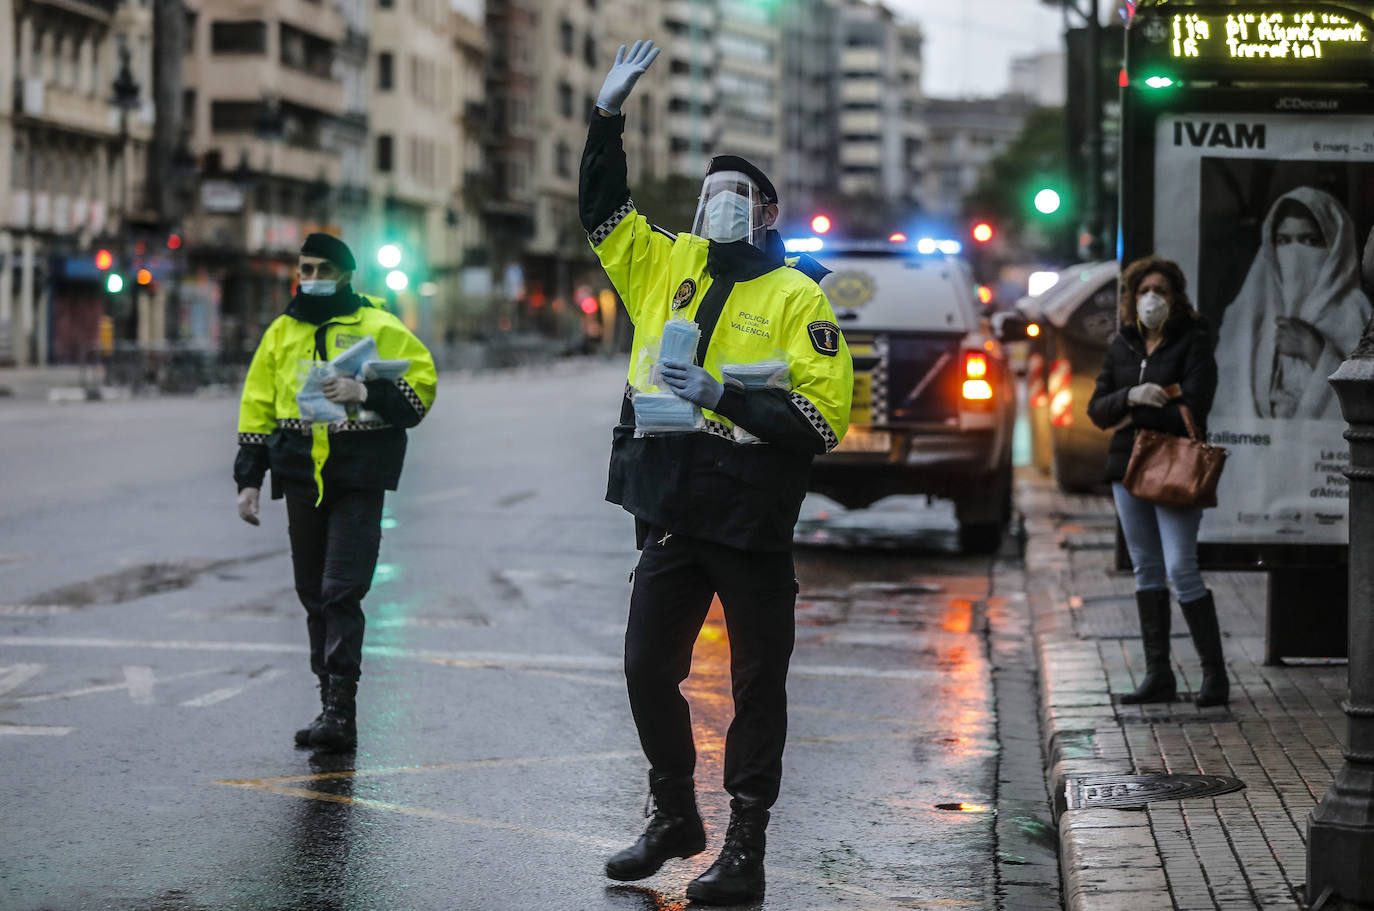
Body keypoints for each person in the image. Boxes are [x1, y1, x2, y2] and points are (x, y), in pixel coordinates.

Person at [580, 40, 852, 905]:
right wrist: (605, 119)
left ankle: (746, 848)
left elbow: (821, 417)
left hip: (750, 519)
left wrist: (725, 394)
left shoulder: (799, 298)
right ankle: (673, 815)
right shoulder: (667, 263)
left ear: (767, 212)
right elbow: (602, 209)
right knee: (643, 667)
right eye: (709, 192)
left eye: (736, 194)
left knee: (754, 685)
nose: (717, 203)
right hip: (672, 509)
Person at [233, 233, 437, 751]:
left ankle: (340, 713)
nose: (312, 277)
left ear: (345, 275)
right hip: (301, 476)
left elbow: (421, 393)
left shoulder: (380, 327)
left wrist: (365, 391)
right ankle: (327, 701)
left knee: (340, 591)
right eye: (305, 268)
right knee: (311, 595)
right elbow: (258, 404)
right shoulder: (281, 332)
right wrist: (248, 481)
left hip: (357, 476)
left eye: (323, 269)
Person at [1087, 256, 1226, 707]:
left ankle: (1214, 675)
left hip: (1174, 468)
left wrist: (1132, 410)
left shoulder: (1193, 342)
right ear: (1132, 297)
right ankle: (1158, 674)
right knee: (1146, 568)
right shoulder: (1122, 345)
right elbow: (1097, 409)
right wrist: (1129, 396)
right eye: (1144, 290)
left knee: (1181, 568)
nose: (1152, 299)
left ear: (1176, 297)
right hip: (1127, 470)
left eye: (1161, 291)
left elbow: (1197, 403)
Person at [1213, 187, 1372, 419]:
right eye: (1283, 240)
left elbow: (1366, 408)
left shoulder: (1359, 314)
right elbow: (1225, 405)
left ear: (1335, 245)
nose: (1295, 253)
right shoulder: (1244, 314)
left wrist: (1318, 354)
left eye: (1310, 240)